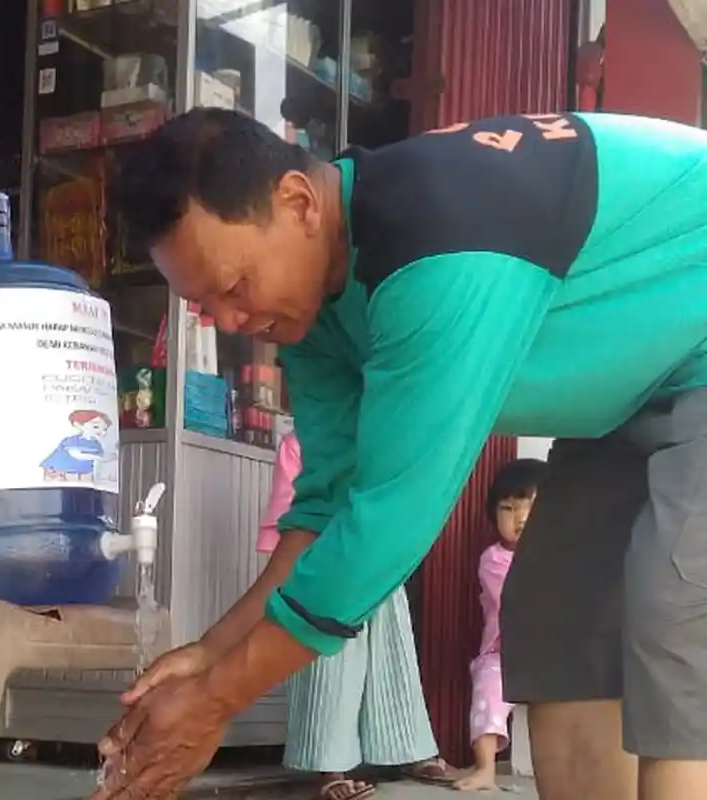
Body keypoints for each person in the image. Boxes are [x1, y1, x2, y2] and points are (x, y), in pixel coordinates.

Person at [89, 107, 707, 800]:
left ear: (297, 203)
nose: (232, 321)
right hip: (636, 393)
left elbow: (386, 526)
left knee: (674, 609)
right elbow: (327, 506)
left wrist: (213, 702)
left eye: (234, 288)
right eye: (205, 306)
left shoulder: (438, 238)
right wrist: (211, 654)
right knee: (556, 622)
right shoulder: (311, 308)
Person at [261, 431, 452, 800]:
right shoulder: (299, 444)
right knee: (329, 657)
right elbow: (289, 517)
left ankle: (408, 749)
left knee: (393, 649)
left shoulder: (382, 435)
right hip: (322, 555)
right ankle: (329, 763)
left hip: (377, 549)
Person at [455, 458, 547, 792]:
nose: (520, 518)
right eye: (508, 509)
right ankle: (485, 768)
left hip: (552, 653)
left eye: (532, 508)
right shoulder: (493, 559)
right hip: (504, 653)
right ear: (493, 515)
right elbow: (515, 600)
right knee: (488, 688)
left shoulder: (562, 555)